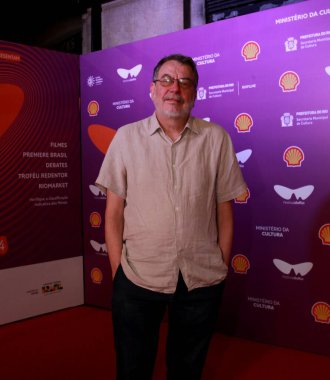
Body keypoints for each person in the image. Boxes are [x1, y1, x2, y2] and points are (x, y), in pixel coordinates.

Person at [95, 53, 247, 380]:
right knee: (133, 368)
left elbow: (224, 210)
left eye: (184, 82)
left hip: (200, 276)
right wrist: (119, 272)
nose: (174, 88)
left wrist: (220, 263)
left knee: (187, 369)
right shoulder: (126, 138)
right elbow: (113, 214)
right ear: (152, 89)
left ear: (194, 92)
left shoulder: (217, 139)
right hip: (137, 275)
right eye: (166, 80)